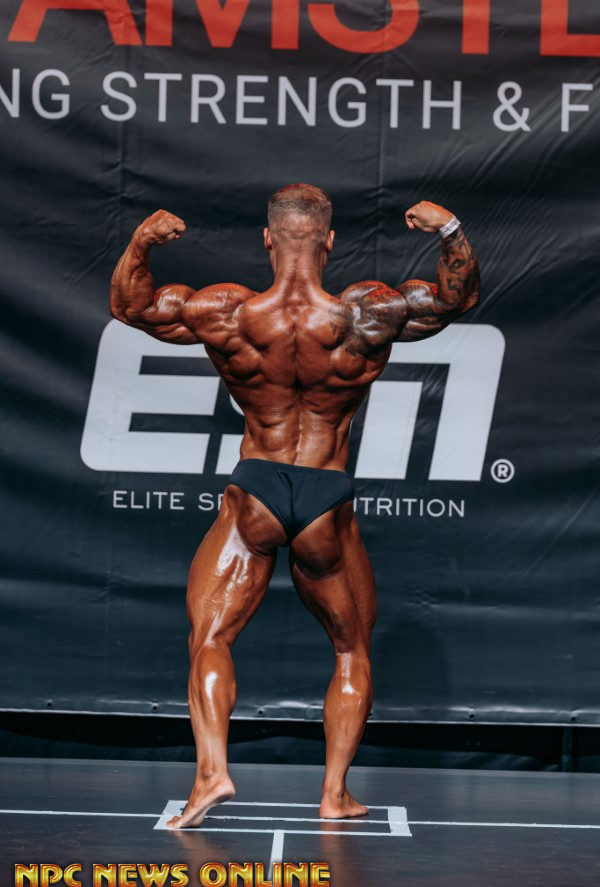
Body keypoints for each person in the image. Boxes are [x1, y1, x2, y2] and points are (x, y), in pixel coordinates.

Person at [110, 184, 480, 828]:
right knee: (350, 650)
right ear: (330, 242)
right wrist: (449, 230)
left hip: (256, 487)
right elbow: (457, 299)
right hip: (325, 494)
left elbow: (130, 307)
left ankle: (212, 774)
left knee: (211, 637)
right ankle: (334, 794)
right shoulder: (367, 313)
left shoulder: (228, 313)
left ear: (267, 239)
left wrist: (141, 241)